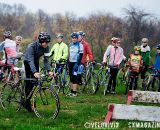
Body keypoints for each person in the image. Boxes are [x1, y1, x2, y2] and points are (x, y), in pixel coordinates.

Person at [23, 32, 53, 112]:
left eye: (47, 42)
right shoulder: (31, 46)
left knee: (34, 82)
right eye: (44, 42)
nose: (45, 44)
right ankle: (26, 101)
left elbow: (46, 60)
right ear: (40, 41)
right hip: (27, 62)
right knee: (29, 82)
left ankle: (28, 99)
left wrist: (49, 70)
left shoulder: (46, 48)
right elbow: (30, 61)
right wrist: (35, 72)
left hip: (35, 62)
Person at [67, 32, 83, 97]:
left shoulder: (80, 45)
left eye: (75, 38)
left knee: (74, 77)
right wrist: (67, 62)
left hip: (76, 63)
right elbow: (69, 54)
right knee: (71, 77)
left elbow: (81, 56)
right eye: (72, 38)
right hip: (70, 62)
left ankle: (75, 92)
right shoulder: (70, 45)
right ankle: (71, 92)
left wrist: (77, 64)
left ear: (77, 38)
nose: (73, 39)